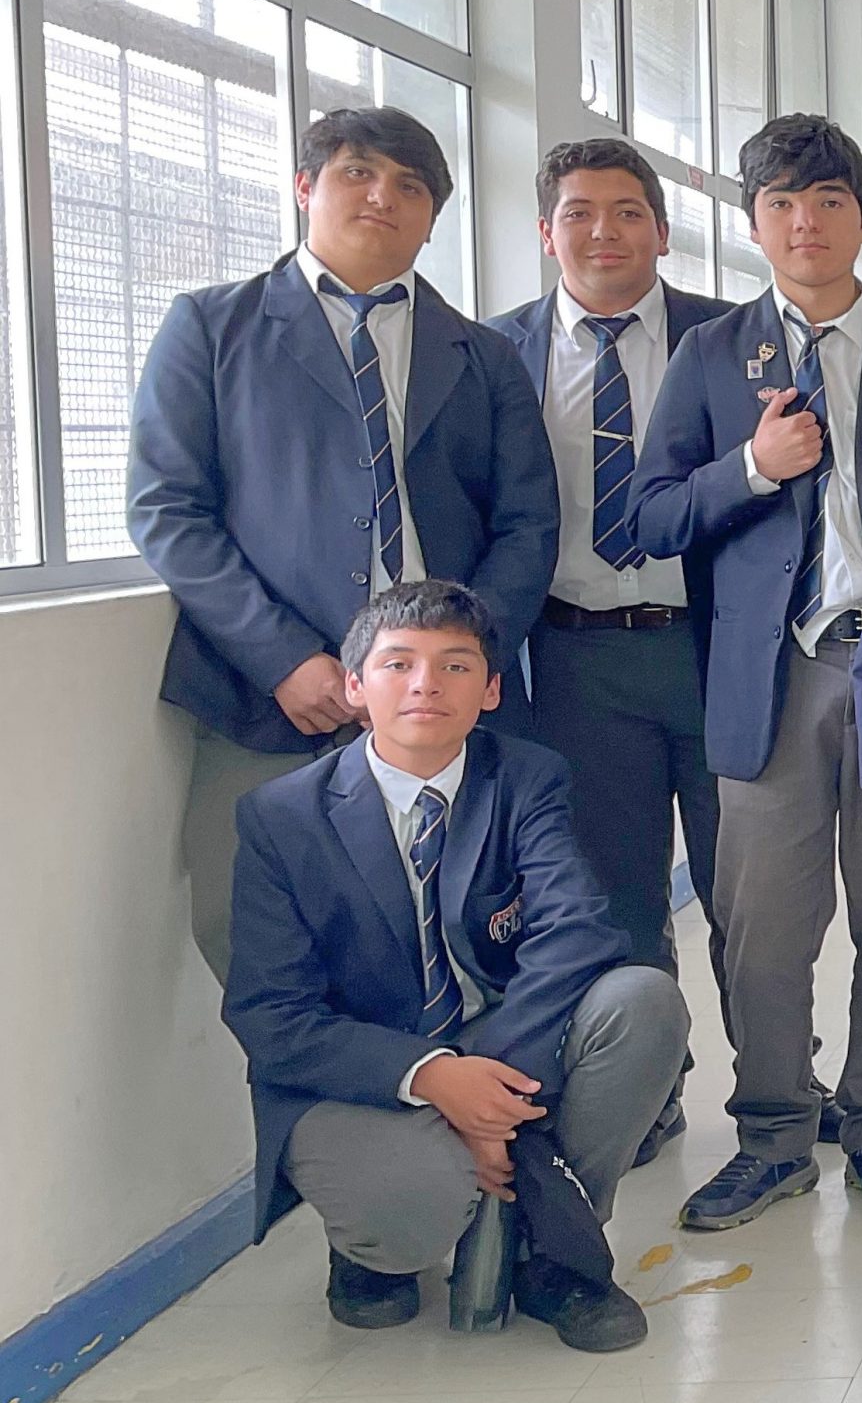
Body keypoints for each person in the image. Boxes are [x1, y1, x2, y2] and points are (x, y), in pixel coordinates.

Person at [631, 113, 862, 1229]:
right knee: (763, 929)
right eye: (782, 204)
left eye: (827, 201)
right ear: (752, 226)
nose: (805, 223)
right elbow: (646, 519)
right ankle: (775, 1134)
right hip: (771, 683)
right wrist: (748, 466)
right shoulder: (708, 356)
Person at [129, 107, 558, 986]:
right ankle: (334, 1117)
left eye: (410, 186)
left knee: (468, 926)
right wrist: (285, 658)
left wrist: (465, 658)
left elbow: (527, 523)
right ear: (304, 187)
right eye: (357, 173)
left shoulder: (484, 356)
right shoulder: (212, 329)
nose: (382, 197)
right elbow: (167, 507)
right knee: (253, 933)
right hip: (270, 698)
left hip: (444, 699)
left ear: (434, 217)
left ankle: (454, 1108)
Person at [224, 581, 687, 1351]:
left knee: (643, 1001)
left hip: (505, 1039)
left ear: (493, 688)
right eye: (398, 664)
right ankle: (370, 1256)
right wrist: (436, 1077)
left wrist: (487, 1086)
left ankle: (550, 1251)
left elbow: (576, 934)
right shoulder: (280, 818)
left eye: (456, 666)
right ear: (354, 687)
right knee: (416, 1209)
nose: (425, 686)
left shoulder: (527, 777)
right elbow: (271, 1017)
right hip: (368, 1073)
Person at [487, 137, 733, 1166]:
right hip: (579, 657)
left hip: (718, 649)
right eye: (579, 212)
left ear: (663, 232)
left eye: (627, 211)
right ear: (546, 232)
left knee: (748, 886)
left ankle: (776, 1080)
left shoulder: (726, 340)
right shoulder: (494, 352)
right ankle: (651, 1084)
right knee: (619, 889)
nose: (603, 232)